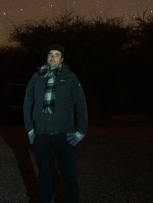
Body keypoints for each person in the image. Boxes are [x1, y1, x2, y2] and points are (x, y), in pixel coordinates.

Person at [23, 44, 88, 203]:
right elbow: (27, 103)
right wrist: (30, 129)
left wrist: (81, 131)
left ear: (62, 59)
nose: (53, 57)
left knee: (68, 176)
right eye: (50, 54)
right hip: (42, 136)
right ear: (46, 57)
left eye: (57, 54)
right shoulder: (36, 77)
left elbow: (81, 103)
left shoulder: (70, 77)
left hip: (64, 137)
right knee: (44, 176)